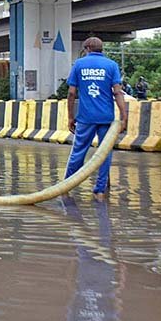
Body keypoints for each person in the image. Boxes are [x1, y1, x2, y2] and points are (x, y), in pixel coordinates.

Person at [65, 37, 127, 200]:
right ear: (101, 49)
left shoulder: (79, 64)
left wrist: (70, 116)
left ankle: (65, 187)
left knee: (78, 152)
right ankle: (100, 190)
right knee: (104, 153)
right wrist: (124, 116)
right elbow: (118, 92)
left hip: (85, 118)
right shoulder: (111, 65)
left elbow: (72, 93)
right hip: (107, 117)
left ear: (87, 49)